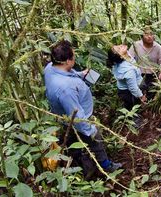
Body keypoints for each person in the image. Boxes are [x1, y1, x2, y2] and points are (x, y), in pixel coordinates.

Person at [44, 40, 121, 178]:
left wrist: (80, 74)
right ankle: (105, 167)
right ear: (67, 61)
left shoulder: (50, 67)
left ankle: (79, 163)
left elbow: (66, 75)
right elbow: (78, 118)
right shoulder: (66, 88)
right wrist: (91, 130)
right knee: (95, 141)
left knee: (74, 143)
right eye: (73, 57)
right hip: (77, 120)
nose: (74, 59)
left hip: (63, 117)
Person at [128, 27, 161, 99]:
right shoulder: (135, 45)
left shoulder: (158, 47)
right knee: (137, 96)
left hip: (152, 75)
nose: (149, 37)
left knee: (151, 95)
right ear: (142, 36)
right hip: (138, 74)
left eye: (151, 34)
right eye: (146, 34)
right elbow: (129, 60)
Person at [108, 44, 147, 110]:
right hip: (128, 92)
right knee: (133, 108)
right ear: (121, 56)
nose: (120, 46)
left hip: (128, 87)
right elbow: (133, 88)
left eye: (118, 46)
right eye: (119, 49)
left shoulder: (126, 56)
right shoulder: (128, 71)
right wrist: (141, 96)